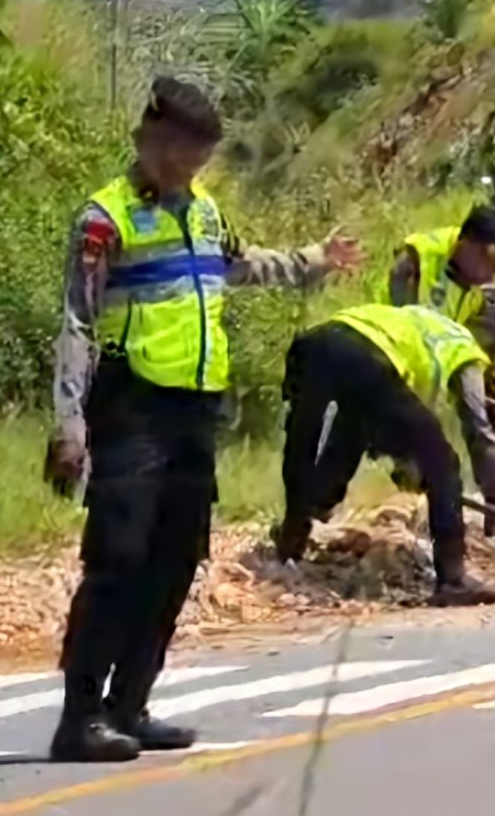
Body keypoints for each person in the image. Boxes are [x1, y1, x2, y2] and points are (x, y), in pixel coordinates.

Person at [43, 77, 360, 764]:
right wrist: (68, 422)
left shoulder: (205, 211)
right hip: (132, 406)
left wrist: (313, 262)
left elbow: (241, 266)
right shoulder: (107, 217)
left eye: (202, 156)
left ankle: (132, 703)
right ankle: (80, 716)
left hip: (194, 409)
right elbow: (76, 320)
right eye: (184, 152)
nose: (192, 167)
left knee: (176, 559)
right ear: (151, 141)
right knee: (118, 560)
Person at [272, 268, 495, 608]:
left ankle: (294, 535)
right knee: (443, 463)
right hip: (367, 359)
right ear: (488, 341)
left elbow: (381, 421)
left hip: (317, 343)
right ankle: (452, 579)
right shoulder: (465, 348)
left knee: (312, 438)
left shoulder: (420, 320)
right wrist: (419, 468)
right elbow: (471, 423)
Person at [382, 205, 495, 537]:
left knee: (486, 415)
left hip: (460, 342)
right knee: (415, 432)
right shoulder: (416, 259)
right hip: (407, 344)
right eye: (487, 262)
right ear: (466, 244)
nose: (490, 274)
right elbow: (398, 328)